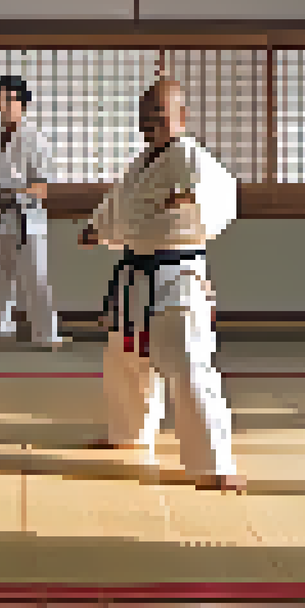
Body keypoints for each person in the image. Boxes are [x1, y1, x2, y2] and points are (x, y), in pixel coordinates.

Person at [79, 79, 244, 491]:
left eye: (159, 115)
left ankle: (215, 463)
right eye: (145, 117)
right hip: (135, 275)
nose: (150, 123)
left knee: (189, 363)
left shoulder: (190, 156)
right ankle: (129, 432)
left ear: (181, 117)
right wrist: (98, 229)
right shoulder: (139, 165)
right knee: (125, 360)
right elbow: (119, 207)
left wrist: (191, 198)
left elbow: (221, 194)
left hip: (178, 277)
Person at [0, 75, 64, 350]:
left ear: (23, 103)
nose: (7, 104)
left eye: (13, 99)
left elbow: (44, 187)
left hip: (26, 217)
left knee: (36, 277)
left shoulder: (34, 138)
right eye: (2, 99)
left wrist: (14, 193)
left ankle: (47, 335)